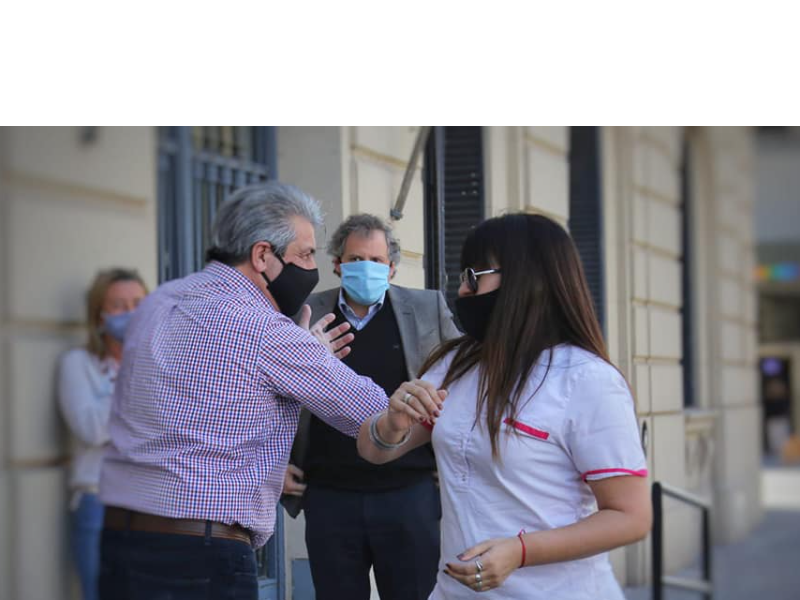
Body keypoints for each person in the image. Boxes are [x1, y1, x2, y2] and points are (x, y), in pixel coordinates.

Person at [97, 182, 445, 600]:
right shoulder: (266, 329)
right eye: (304, 255)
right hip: (200, 554)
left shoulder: (159, 301)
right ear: (263, 255)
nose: (312, 267)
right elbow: (375, 411)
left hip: (120, 535)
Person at [356, 213, 652, 599]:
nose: (462, 290)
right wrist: (392, 422)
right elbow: (373, 451)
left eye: (473, 277)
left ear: (524, 279)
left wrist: (521, 551)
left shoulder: (587, 380)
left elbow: (630, 517)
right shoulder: (457, 364)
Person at [283, 214, 460, 600]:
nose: (367, 268)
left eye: (376, 261)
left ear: (392, 267)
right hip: (330, 494)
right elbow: (270, 391)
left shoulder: (428, 308)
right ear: (337, 265)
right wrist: (274, 464)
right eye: (356, 259)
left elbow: (463, 378)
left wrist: (452, 463)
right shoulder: (304, 312)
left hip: (410, 492)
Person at [58, 268, 147, 600]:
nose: (131, 313)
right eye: (119, 306)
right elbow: (92, 429)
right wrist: (133, 378)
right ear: (99, 316)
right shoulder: (77, 364)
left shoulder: (158, 364)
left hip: (152, 506)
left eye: (138, 303)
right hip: (99, 502)